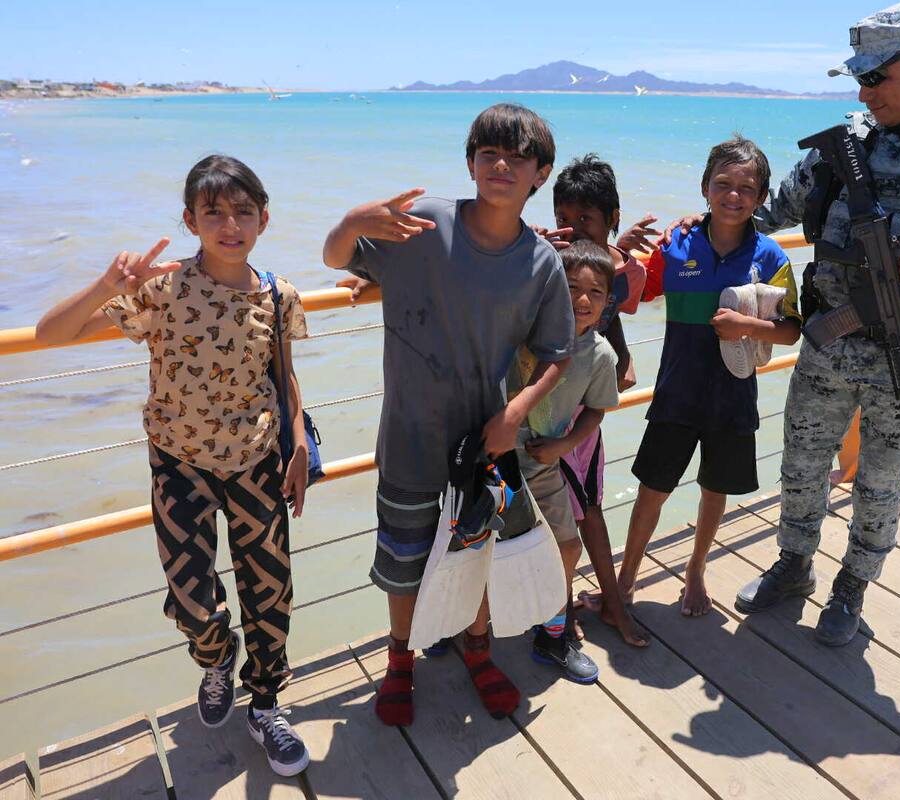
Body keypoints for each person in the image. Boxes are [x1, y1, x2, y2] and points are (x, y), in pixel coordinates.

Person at [671, 1, 900, 646]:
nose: (864, 92)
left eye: (876, 78)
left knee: (880, 484)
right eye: (858, 79)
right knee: (800, 467)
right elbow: (769, 212)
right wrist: (699, 227)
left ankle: (851, 588)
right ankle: (793, 565)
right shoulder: (842, 147)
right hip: (827, 346)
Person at [36, 155, 313, 776]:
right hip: (178, 463)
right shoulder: (161, 291)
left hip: (258, 463)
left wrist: (297, 443)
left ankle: (265, 704)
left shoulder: (278, 294)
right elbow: (51, 333)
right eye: (214, 212)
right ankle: (216, 658)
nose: (230, 225)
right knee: (190, 598)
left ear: (264, 219)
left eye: (243, 211)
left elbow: (284, 375)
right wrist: (107, 285)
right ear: (190, 221)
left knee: (270, 593)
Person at [322, 103, 574, 725]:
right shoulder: (426, 223)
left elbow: (556, 354)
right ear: (469, 163)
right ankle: (399, 659)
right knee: (403, 557)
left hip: (487, 437)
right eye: (489, 154)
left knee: (478, 549)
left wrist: (515, 413)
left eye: (518, 158)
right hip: (408, 431)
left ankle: (478, 649)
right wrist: (353, 221)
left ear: (541, 174)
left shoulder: (541, 262)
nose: (501, 166)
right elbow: (335, 257)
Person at [617, 135, 802, 618]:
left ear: (762, 198)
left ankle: (696, 568)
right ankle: (625, 581)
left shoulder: (771, 257)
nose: (733, 195)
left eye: (747, 188)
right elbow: (633, 295)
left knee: (714, 487)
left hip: (733, 392)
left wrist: (747, 326)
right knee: (652, 489)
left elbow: (790, 331)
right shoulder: (676, 244)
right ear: (705, 188)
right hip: (677, 389)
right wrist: (619, 254)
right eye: (723, 184)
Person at [547, 155, 650, 647]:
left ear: (611, 218)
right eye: (563, 217)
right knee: (556, 520)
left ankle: (610, 603)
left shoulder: (617, 273)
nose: (572, 229)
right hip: (541, 417)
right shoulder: (547, 266)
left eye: (585, 218)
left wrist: (622, 359)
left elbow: (610, 317)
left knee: (588, 509)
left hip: (583, 416)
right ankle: (557, 610)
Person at [508, 240, 621, 680]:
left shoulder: (601, 355)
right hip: (493, 453)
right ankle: (455, 628)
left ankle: (553, 633)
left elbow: (596, 410)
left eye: (595, 292)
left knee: (568, 544)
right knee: (475, 542)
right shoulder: (525, 328)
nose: (582, 300)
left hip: (543, 458)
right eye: (571, 287)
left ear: (608, 301)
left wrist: (564, 444)